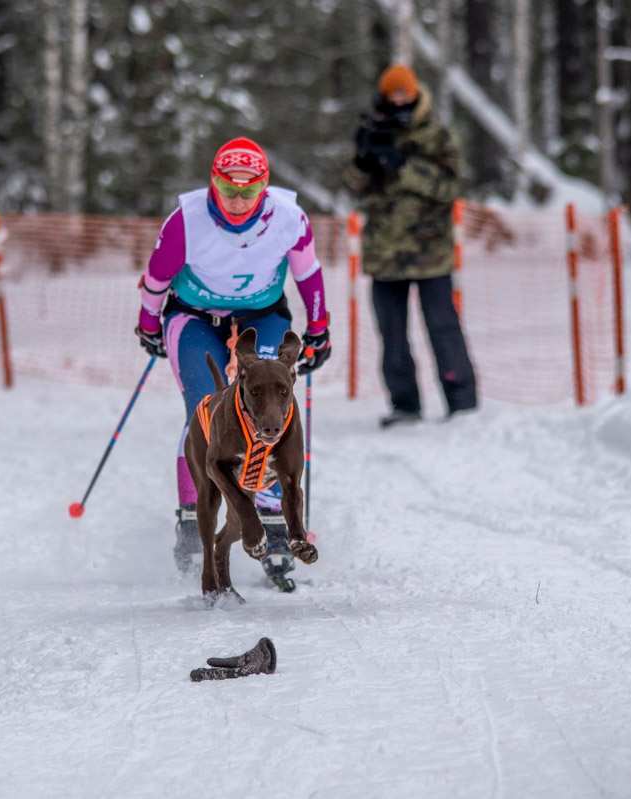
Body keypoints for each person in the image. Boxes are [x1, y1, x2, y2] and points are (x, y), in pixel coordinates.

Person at [135, 137, 331, 587]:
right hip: (194, 316)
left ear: (264, 186)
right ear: (213, 184)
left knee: (266, 409)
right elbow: (156, 277)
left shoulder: (288, 217)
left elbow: (309, 273)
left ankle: (271, 520)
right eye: (229, 191)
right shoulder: (186, 220)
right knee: (206, 407)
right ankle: (192, 512)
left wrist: (318, 327)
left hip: (262, 314)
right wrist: (149, 323)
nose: (239, 201)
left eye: (250, 191)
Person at [342, 63, 477, 427]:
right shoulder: (375, 131)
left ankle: (462, 404)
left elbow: (451, 188)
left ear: (416, 92)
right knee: (393, 337)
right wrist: (364, 159)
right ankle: (405, 406)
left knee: (443, 329)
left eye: (405, 91)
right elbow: (353, 187)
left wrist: (404, 166)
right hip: (385, 257)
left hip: (430, 254)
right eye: (393, 91)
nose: (399, 97)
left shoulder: (437, 137)